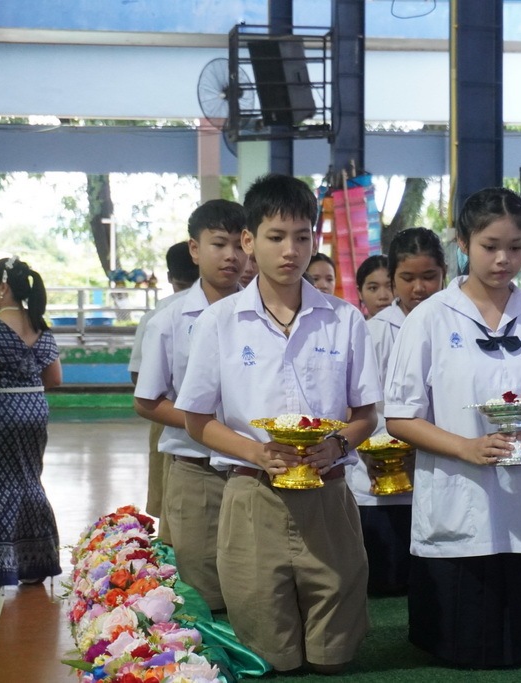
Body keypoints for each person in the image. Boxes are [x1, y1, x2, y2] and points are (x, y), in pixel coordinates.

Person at [175, 174, 379, 674]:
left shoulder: (344, 319)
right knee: (272, 657)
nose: (291, 250)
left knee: (335, 653)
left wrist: (338, 446)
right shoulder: (220, 322)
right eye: (276, 236)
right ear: (249, 240)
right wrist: (256, 452)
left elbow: (366, 415)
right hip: (253, 496)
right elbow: (196, 419)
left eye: (302, 237)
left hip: (329, 494)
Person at [384, 187, 521, 668]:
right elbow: (400, 417)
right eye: (489, 246)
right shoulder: (429, 319)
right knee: (459, 643)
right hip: (457, 494)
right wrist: (465, 448)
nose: (503, 259)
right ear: (462, 243)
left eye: (515, 247)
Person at [133, 200, 246, 612]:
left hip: (252, 470)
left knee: (254, 584)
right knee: (204, 590)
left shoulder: (263, 314)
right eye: (219, 244)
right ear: (195, 249)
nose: (231, 255)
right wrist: (210, 426)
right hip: (197, 470)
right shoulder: (169, 320)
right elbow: (147, 401)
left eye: (239, 244)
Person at [348, 227, 446, 596]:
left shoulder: (456, 324)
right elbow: (359, 404)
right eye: (407, 278)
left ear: (444, 274)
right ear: (392, 280)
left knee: (432, 582)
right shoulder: (373, 332)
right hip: (380, 472)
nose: (419, 288)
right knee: (385, 586)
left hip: (443, 465)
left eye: (429, 276)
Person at [0, 257, 63, 594]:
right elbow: (55, 378)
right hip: (35, 410)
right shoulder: (40, 324)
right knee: (29, 479)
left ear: (3, 287)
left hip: (0, 413)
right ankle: (35, 562)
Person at [128, 241, 199, 544]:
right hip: (209, 423)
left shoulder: (159, 313)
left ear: (170, 276)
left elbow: (138, 376)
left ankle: (170, 544)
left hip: (168, 411)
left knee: (170, 497)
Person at [356, 254, 392, 319]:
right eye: (373, 288)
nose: (383, 296)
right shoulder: (354, 325)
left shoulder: (410, 324)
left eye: (390, 287)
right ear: (360, 293)